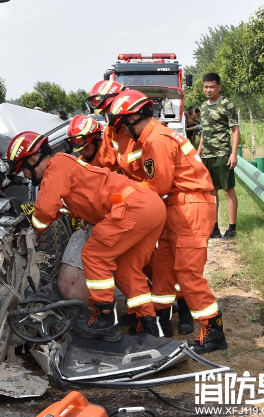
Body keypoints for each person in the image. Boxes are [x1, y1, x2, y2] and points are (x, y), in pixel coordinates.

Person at [6, 131, 166, 341]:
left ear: (33, 160)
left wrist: (33, 230)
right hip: (150, 206)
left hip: (133, 206)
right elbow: (86, 198)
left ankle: (105, 321)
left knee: (94, 254)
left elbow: (44, 211)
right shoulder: (66, 164)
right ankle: (151, 328)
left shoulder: (55, 168)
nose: (25, 177)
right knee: (127, 270)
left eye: (22, 170)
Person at [106, 89, 228, 353]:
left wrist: (123, 192)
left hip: (189, 207)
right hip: (178, 206)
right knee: (163, 268)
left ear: (135, 117)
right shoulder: (156, 136)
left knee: (187, 273)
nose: (125, 131)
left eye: (125, 125)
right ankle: (158, 323)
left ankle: (213, 329)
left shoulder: (156, 140)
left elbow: (158, 185)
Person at [84, 80, 194, 335]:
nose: (106, 117)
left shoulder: (145, 131)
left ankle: (184, 306)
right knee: (142, 262)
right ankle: (144, 314)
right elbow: (106, 165)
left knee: (169, 261)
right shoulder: (113, 132)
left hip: (159, 201)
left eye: (107, 110)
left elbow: (159, 178)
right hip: (137, 204)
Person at [197, 73, 239, 239]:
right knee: (211, 192)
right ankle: (214, 228)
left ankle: (232, 228)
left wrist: (233, 153)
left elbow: (235, 130)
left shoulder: (226, 104)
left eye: (211, 87)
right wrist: (198, 153)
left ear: (219, 87)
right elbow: (204, 133)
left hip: (222, 153)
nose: (208, 90)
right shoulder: (204, 106)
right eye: (206, 87)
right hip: (207, 155)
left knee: (228, 191)